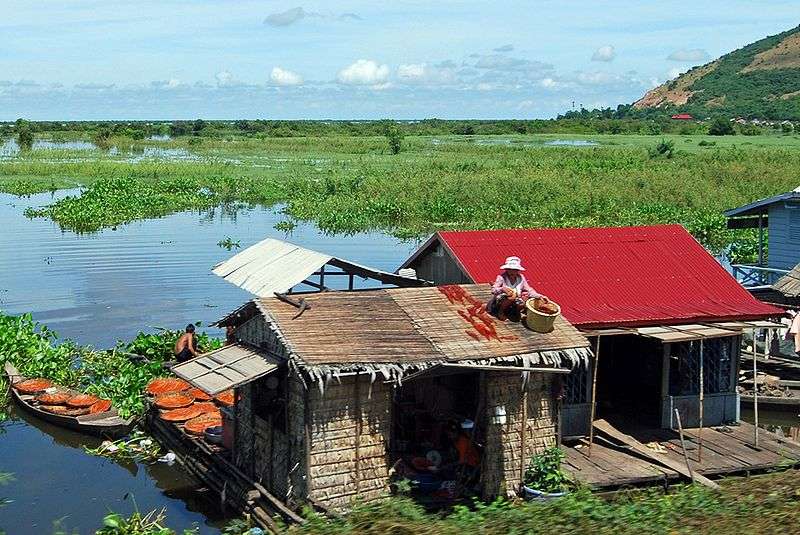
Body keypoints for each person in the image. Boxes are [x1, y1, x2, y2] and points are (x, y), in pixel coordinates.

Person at [487, 256, 548, 322]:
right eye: (510, 269)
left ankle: (514, 311)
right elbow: (493, 290)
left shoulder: (521, 278)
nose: (512, 272)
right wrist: (502, 289)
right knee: (510, 298)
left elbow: (529, 290)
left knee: (523, 302)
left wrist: (540, 296)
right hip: (502, 298)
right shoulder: (501, 277)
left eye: (514, 270)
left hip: (516, 298)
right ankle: (501, 311)